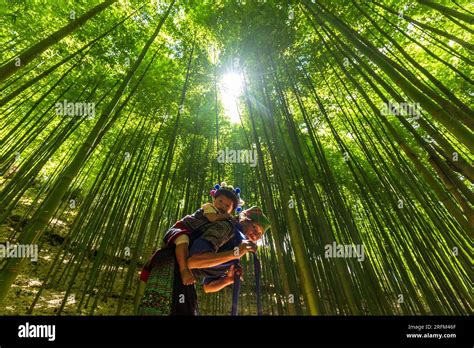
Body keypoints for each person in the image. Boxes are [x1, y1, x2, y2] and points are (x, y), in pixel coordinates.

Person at [137, 206, 270, 315]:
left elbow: (207, 287)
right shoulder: (226, 227)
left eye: (260, 235)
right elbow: (192, 261)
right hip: (172, 266)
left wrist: (227, 280)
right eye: (255, 228)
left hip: (186, 280)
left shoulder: (237, 245)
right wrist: (234, 254)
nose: (256, 236)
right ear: (245, 220)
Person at [140, 182, 243, 286]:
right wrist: (228, 217)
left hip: (193, 235)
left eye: (227, 205)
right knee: (183, 239)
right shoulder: (209, 207)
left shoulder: (225, 221)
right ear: (214, 200)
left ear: (231, 210)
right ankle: (184, 269)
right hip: (182, 228)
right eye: (220, 201)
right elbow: (212, 218)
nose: (222, 206)